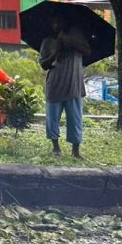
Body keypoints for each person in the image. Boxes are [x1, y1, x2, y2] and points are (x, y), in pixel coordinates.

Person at [39, 14, 90, 158]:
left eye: (59, 21)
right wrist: (54, 52)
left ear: (65, 22)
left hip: (74, 84)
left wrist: (69, 41)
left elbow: (87, 51)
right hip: (55, 85)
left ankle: (76, 150)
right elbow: (44, 64)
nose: (56, 25)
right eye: (53, 22)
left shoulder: (76, 35)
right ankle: (56, 148)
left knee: (75, 119)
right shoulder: (47, 41)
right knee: (52, 119)